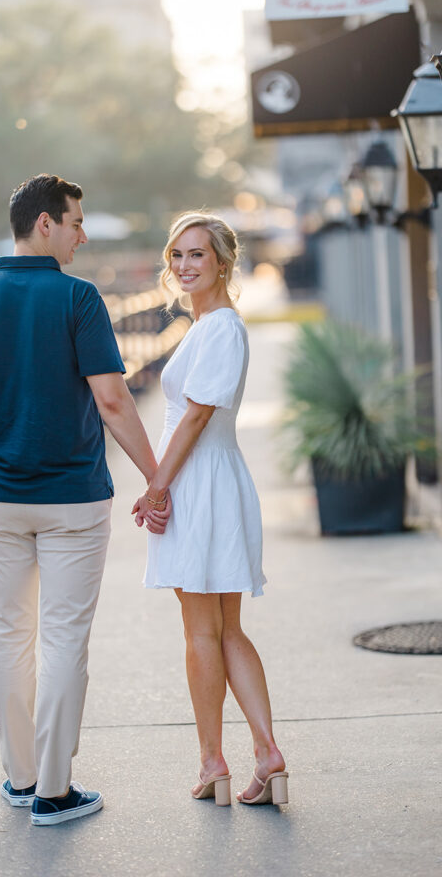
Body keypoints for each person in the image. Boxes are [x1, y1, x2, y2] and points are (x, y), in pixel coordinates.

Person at [0, 173, 168, 827]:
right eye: (74, 221)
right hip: (71, 501)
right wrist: (155, 476)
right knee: (64, 638)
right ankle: (53, 790)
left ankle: (20, 779)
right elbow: (111, 399)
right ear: (44, 223)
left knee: (7, 638)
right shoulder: (78, 299)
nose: (82, 232)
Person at [134, 211, 288, 807]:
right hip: (213, 478)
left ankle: (211, 763)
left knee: (203, 630)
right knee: (225, 630)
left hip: (200, 480)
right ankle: (266, 754)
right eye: (176, 255)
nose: (184, 265)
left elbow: (196, 414)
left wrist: (157, 487)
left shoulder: (221, 327)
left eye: (197, 254)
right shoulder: (206, 327)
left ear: (223, 261)